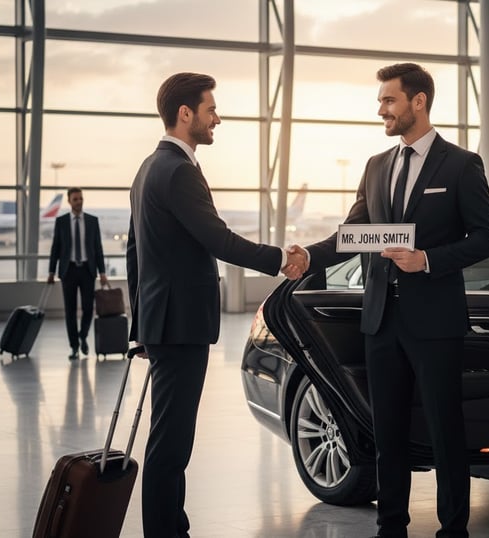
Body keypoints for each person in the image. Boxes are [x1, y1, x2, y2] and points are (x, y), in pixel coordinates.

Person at [297, 63, 489, 538]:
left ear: (418, 101)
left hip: (434, 322)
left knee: (446, 432)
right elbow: (354, 234)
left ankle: (454, 530)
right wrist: (308, 255)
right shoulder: (376, 166)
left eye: (389, 100)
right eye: (381, 101)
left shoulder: (460, 165)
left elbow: (487, 238)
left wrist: (428, 258)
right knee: (386, 433)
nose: (381, 110)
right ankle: (391, 527)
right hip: (380, 321)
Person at [126, 72, 306, 537]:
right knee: (172, 439)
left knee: (170, 435)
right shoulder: (178, 170)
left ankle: (169, 527)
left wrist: (140, 326)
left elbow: (134, 252)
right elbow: (217, 239)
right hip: (181, 325)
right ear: (185, 113)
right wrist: (279, 259)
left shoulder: (149, 167)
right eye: (210, 110)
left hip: (164, 322)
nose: (217, 119)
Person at [47, 187, 108, 360]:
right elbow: (56, 248)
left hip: (88, 270)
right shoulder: (61, 222)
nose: (79, 201)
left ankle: (82, 336)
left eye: (81, 198)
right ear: (69, 201)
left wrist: (102, 272)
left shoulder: (92, 221)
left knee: (89, 308)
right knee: (70, 310)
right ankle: (74, 346)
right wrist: (51, 271)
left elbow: (98, 249)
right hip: (69, 270)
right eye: (75, 199)